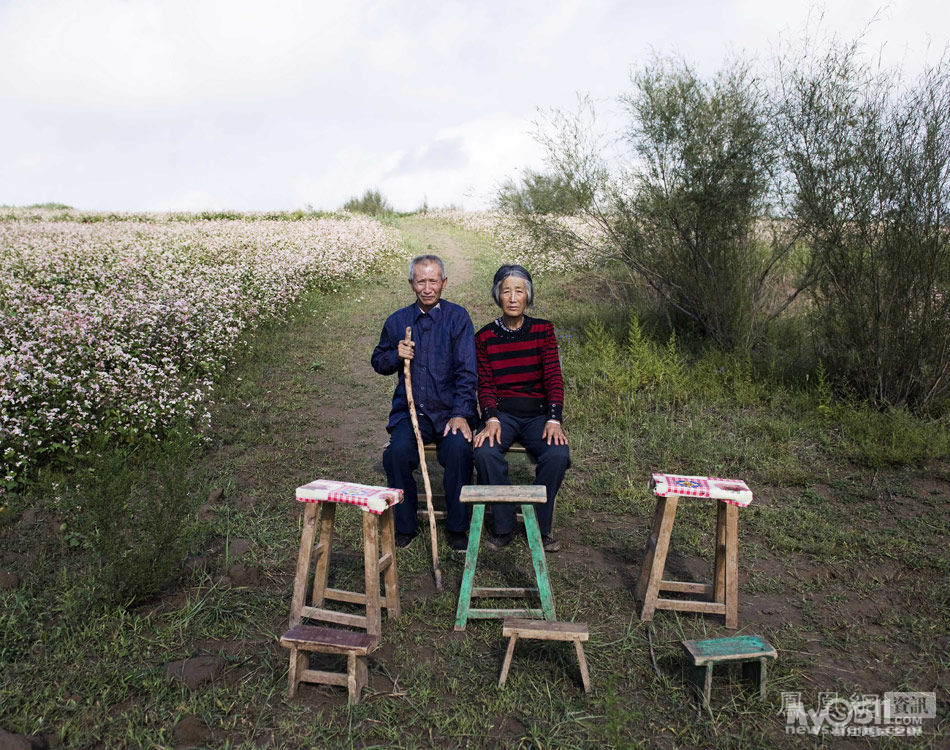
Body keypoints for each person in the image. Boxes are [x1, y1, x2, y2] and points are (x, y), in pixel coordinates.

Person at [371, 254, 477, 551]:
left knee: (458, 450)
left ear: (444, 282)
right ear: (411, 284)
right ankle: (406, 525)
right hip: (411, 412)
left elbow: (468, 372)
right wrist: (396, 354)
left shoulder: (458, 318)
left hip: (449, 412)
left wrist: (461, 414)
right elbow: (378, 361)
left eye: (433, 281)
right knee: (396, 455)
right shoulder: (397, 321)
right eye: (421, 281)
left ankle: (457, 526)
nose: (427, 288)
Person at [472, 264, 570, 552]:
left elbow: (553, 377)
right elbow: (486, 384)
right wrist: (490, 417)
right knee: (485, 452)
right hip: (502, 415)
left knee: (557, 454)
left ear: (528, 295)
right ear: (497, 296)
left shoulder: (543, 330)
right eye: (506, 291)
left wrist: (554, 419)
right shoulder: (485, 337)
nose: (513, 298)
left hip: (537, 414)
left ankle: (539, 528)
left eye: (519, 291)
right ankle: (504, 526)